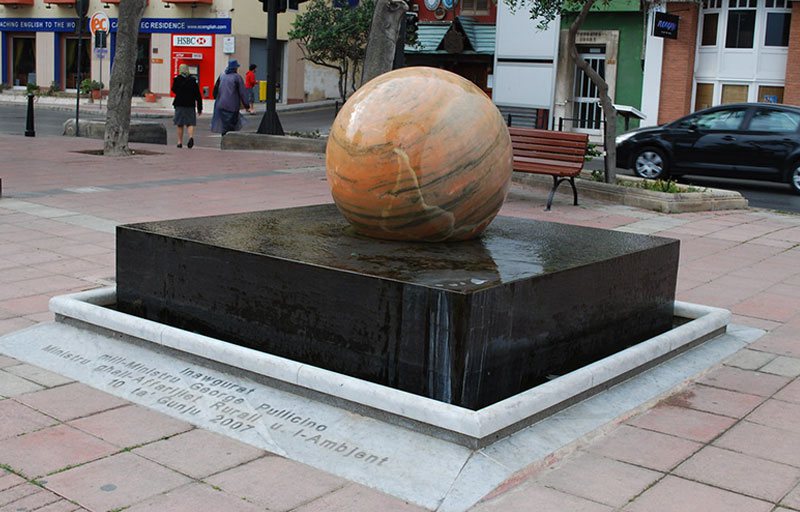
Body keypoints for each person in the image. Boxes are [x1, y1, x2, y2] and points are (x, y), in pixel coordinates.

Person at [211, 60, 250, 136]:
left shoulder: (222, 75)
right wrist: (246, 105)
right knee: (231, 125)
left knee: (224, 125)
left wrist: (216, 98)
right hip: (232, 105)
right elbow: (242, 92)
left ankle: (224, 137)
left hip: (221, 104)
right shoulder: (237, 77)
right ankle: (228, 141)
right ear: (235, 68)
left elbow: (215, 89)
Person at [171, 63, 202, 149]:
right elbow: (198, 95)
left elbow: (173, 89)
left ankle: (179, 142)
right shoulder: (193, 80)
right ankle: (191, 137)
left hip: (180, 104)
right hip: (190, 104)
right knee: (190, 123)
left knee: (180, 124)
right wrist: (200, 108)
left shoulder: (177, 80)